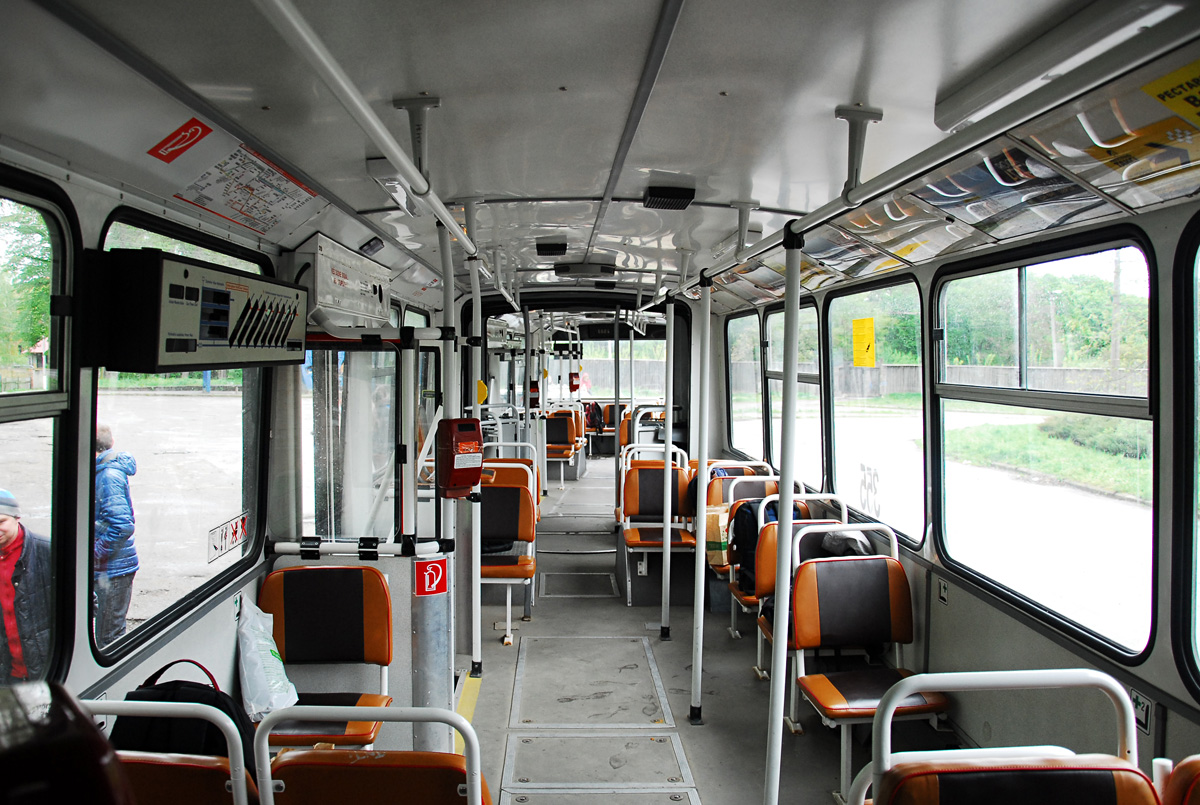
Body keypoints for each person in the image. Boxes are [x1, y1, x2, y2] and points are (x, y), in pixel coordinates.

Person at [0, 489, 51, 684]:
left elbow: (88, 604)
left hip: (47, 671)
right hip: (8, 674)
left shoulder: (47, 552)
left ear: (17, 517)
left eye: (1, 522)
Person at [94, 424, 138, 646]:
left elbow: (122, 526)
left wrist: (95, 554)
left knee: (109, 638)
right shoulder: (102, 470)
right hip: (109, 568)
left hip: (115, 571)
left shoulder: (108, 475)